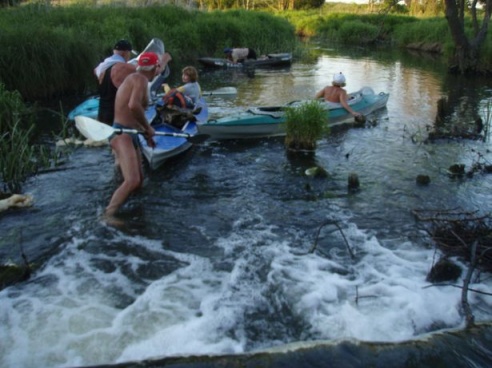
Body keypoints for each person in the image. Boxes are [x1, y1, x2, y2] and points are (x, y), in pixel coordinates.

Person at [102, 52, 171, 224]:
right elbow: (133, 106)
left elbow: (131, 112)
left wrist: (145, 133)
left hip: (130, 132)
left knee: (139, 182)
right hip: (122, 134)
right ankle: (108, 215)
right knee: (132, 180)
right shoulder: (140, 80)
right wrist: (148, 128)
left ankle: (132, 209)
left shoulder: (134, 78)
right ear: (156, 67)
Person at [94, 39, 138, 125]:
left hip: (102, 112)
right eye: (129, 53)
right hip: (114, 115)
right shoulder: (122, 67)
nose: (129, 57)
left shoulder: (102, 67)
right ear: (125, 53)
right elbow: (144, 71)